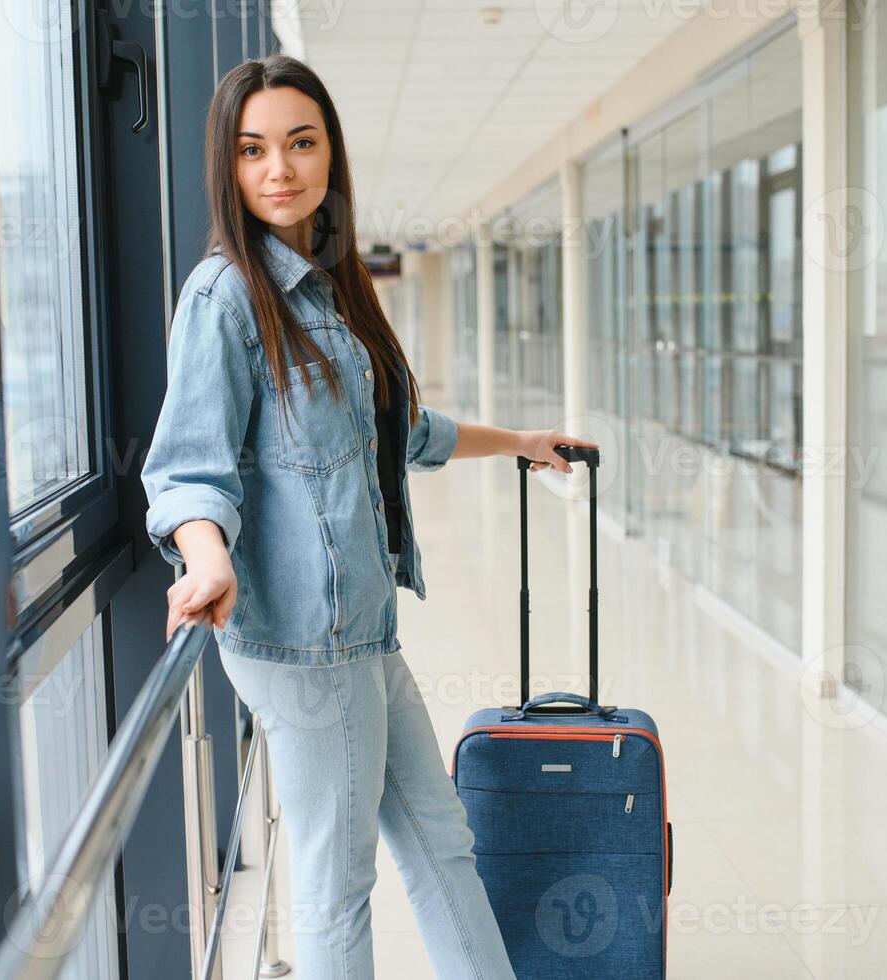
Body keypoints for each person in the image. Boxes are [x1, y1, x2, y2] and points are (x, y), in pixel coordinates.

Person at [140, 53, 598, 980]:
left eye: (300, 144)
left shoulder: (328, 287)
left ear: (329, 155)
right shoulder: (226, 295)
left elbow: (398, 431)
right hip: (300, 642)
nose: (279, 170)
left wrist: (516, 441)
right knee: (336, 882)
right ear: (226, 169)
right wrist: (206, 557)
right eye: (252, 150)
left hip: (362, 633)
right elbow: (187, 467)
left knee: (441, 842)